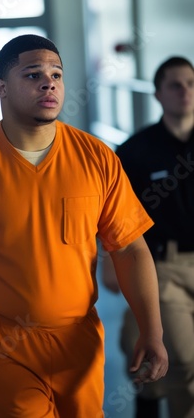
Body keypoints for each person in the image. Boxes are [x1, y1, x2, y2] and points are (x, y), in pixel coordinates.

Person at [0, 34, 168, 418]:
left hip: (78, 341)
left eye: (56, 74)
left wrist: (153, 330)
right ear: (1, 88)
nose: (49, 83)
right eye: (32, 75)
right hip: (0, 343)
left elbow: (129, 247)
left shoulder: (96, 158)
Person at [103, 56, 194, 418]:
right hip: (162, 268)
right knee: (184, 362)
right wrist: (110, 263)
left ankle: (148, 396)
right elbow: (113, 217)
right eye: (175, 84)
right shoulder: (135, 150)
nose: (185, 91)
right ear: (158, 94)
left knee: (152, 358)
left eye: (190, 83)